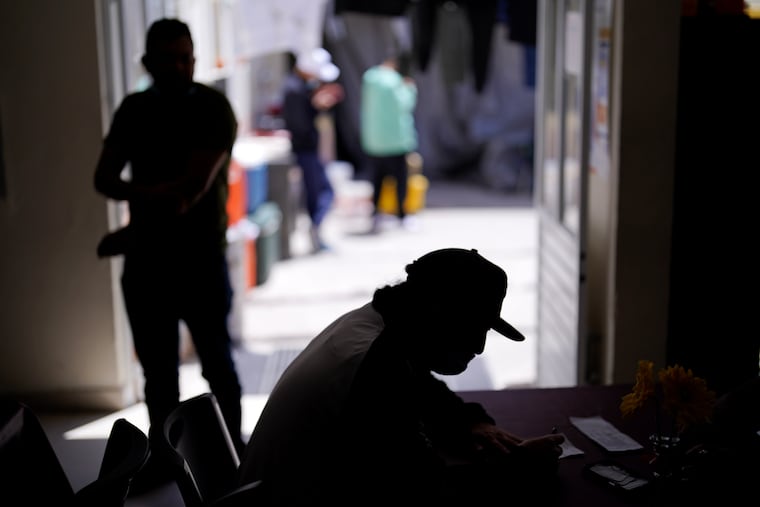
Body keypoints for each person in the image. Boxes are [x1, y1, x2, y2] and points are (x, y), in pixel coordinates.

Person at [238, 247, 565, 505]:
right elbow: (420, 484)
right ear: (439, 313)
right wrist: (516, 467)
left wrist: (468, 422)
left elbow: (423, 388)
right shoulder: (374, 365)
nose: (479, 347)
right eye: (474, 328)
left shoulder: (376, 327)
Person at [93, 18, 245, 491]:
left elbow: (191, 191)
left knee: (217, 361)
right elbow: (104, 179)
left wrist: (135, 220)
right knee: (158, 375)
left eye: (187, 56)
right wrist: (158, 201)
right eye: (169, 58)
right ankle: (165, 460)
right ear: (147, 63)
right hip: (148, 262)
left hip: (195, 258)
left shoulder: (213, 108)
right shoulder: (135, 108)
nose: (181, 66)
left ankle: (233, 454)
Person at [282, 48, 344, 252]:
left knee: (320, 192)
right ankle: (316, 233)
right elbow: (301, 125)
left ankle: (316, 233)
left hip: (308, 149)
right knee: (321, 192)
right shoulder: (294, 90)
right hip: (305, 150)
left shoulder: (300, 88)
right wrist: (316, 105)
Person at [360, 52, 418, 233]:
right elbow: (405, 105)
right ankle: (402, 215)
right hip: (395, 142)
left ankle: (376, 214)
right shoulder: (395, 83)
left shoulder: (369, 79)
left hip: (373, 141)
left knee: (376, 180)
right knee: (400, 181)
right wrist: (410, 89)